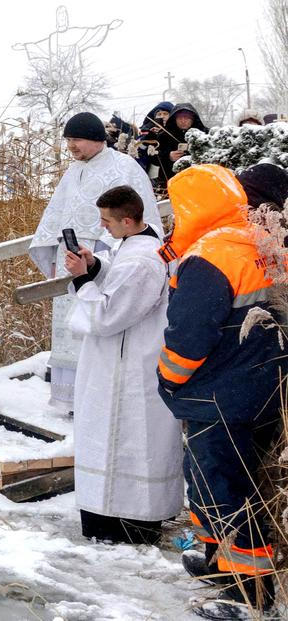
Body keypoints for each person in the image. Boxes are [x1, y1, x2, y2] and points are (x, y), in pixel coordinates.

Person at [157, 164, 286, 617]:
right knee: (229, 484)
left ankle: (245, 595)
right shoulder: (262, 244)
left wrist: (168, 380)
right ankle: (213, 560)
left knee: (222, 488)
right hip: (267, 392)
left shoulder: (210, 256)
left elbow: (189, 337)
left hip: (217, 397)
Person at [61, 185, 182, 545]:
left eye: (107, 221)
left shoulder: (143, 261)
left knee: (124, 439)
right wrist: (97, 267)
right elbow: (120, 283)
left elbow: (109, 314)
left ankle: (122, 524)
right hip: (125, 358)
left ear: (128, 220)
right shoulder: (141, 246)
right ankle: (115, 517)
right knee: (122, 439)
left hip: (127, 367)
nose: (103, 227)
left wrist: (82, 279)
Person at [29, 112, 162, 409]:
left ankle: (96, 400)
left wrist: (113, 255)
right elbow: (54, 215)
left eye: (76, 140)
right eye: (68, 141)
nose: (71, 146)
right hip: (73, 258)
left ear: (95, 138)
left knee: (99, 326)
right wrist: (52, 251)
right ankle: (71, 400)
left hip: (108, 259)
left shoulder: (125, 167)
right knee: (70, 333)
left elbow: (142, 217)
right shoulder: (72, 171)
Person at [156, 103, 208, 190]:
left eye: (187, 118)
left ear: (193, 119)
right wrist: (168, 156)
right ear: (174, 119)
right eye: (180, 118)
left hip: (199, 179)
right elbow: (155, 157)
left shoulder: (204, 134)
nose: (183, 121)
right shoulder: (164, 136)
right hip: (172, 180)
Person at [135, 101, 174, 174]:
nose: (162, 116)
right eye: (159, 114)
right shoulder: (146, 132)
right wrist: (147, 139)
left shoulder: (176, 132)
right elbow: (137, 152)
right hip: (152, 173)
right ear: (154, 117)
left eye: (165, 113)